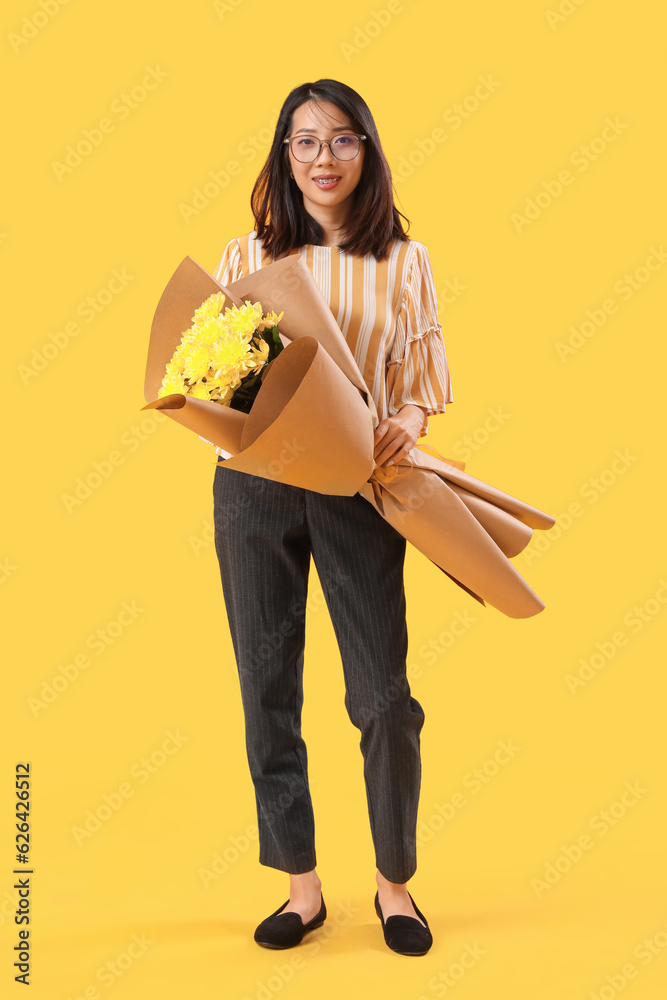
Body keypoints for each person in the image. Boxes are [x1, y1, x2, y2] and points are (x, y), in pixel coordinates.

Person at [211, 79, 453, 956]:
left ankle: (395, 885)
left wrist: (406, 422)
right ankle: (301, 887)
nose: (323, 159)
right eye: (305, 142)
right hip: (255, 483)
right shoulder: (244, 253)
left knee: (382, 696)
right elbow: (222, 378)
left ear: (367, 151)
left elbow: (421, 385)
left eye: (342, 140)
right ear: (285, 154)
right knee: (265, 683)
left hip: (360, 484)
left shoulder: (405, 261)